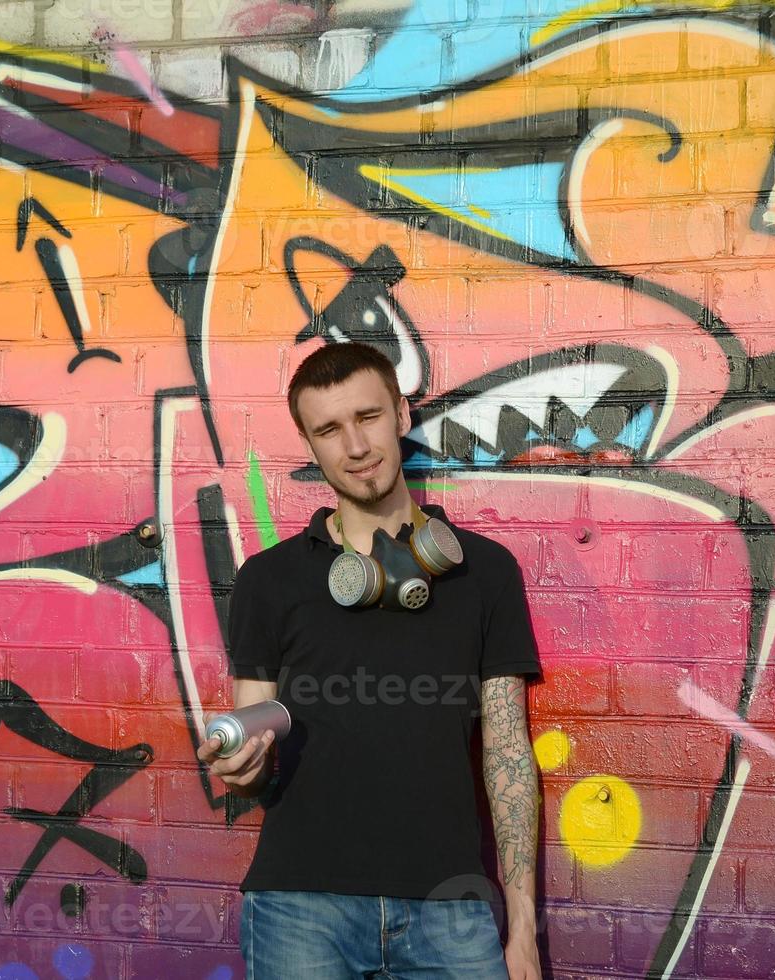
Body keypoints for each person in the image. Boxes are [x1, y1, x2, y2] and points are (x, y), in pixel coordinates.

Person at [196, 342, 543, 979]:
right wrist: (239, 768)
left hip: (450, 909)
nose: (356, 446)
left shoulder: (486, 572)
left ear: (402, 414)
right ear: (309, 442)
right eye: (329, 429)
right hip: (299, 908)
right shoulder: (268, 581)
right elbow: (256, 731)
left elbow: (508, 752)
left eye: (368, 417)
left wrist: (522, 929)